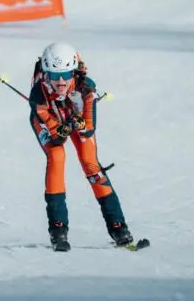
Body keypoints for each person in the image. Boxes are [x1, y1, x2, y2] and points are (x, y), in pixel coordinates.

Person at [28, 42, 133, 251]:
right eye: (54, 75)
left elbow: (89, 129)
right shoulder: (38, 95)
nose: (60, 82)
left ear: (74, 72)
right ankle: (58, 229)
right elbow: (56, 138)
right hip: (47, 119)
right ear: (46, 74)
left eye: (66, 75)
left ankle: (118, 226)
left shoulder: (86, 88)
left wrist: (78, 124)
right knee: (57, 157)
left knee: (89, 162)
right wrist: (61, 130)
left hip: (71, 118)